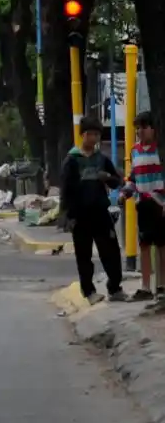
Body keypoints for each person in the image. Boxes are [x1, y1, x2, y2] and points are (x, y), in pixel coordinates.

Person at [60, 116, 127, 305]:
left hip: (100, 213)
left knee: (111, 251)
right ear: (83, 135)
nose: (95, 138)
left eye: (97, 135)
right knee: (84, 255)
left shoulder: (102, 159)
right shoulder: (72, 160)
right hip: (80, 215)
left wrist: (108, 178)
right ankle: (89, 291)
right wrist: (67, 216)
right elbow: (65, 191)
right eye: (91, 134)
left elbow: (117, 181)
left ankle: (115, 287)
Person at [119, 111, 165, 302]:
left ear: (153, 129)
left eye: (144, 127)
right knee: (144, 245)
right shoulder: (135, 151)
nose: (140, 131)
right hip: (143, 204)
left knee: (161, 246)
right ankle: (145, 287)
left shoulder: (160, 150)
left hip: (160, 204)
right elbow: (133, 178)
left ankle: (161, 286)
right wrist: (125, 193)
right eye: (137, 128)